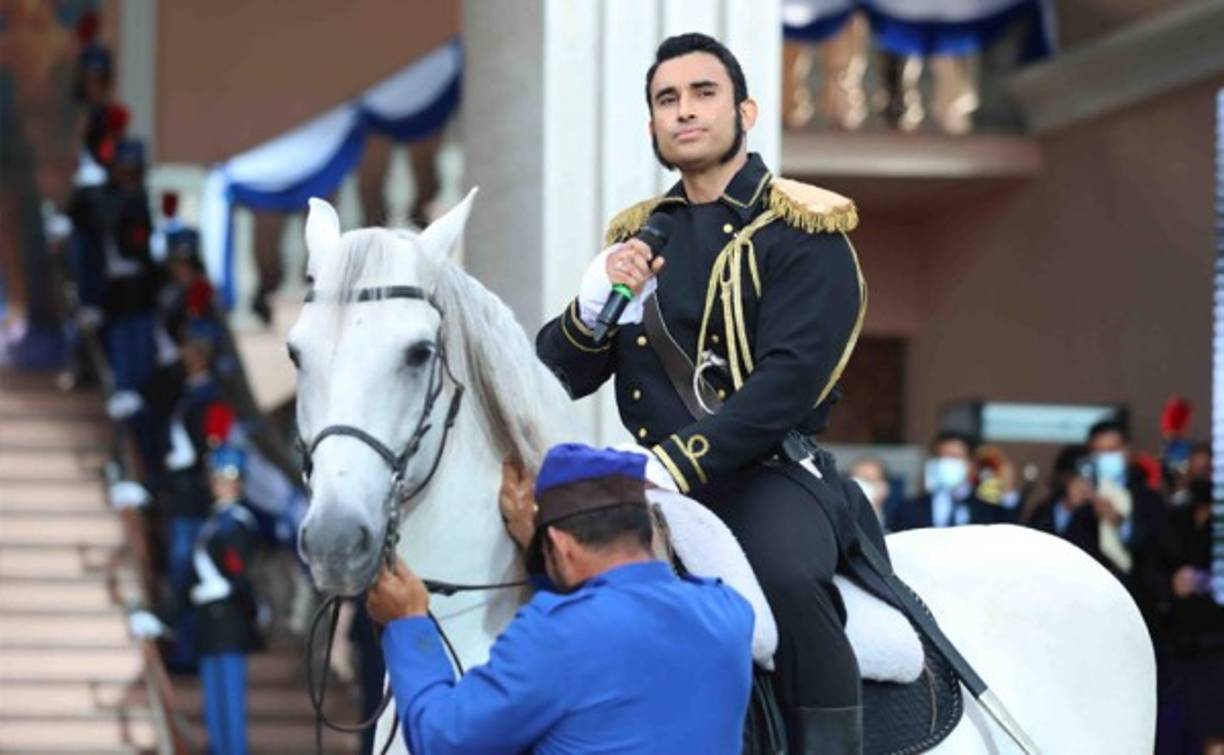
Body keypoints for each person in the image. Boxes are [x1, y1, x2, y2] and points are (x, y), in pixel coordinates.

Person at [535, 32, 884, 752]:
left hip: (772, 476)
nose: (684, 111)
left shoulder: (802, 228)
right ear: (653, 123)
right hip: (659, 483)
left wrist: (676, 461)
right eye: (668, 99)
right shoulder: (640, 234)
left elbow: (787, 383)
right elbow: (557, 373)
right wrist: (597, 302)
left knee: (788, 580)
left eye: (703, 93)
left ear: (745, 111)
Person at [367, 444, 754, 755]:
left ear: (561, 546)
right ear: (641, 529)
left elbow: (442, 740)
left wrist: (408, 626)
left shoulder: (554, 635)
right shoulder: (728, 613)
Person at [890, 431, 1016, 531]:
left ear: (971, 465)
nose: (946, 463)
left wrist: (1008, 491)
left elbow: (1010, 533)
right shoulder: (910, 508)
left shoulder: (987, 509)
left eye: (954, 457)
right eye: (942, 457)